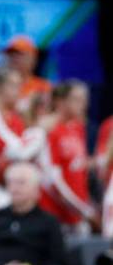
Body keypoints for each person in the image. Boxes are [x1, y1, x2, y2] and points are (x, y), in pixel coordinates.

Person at [0, 67, 45, 214]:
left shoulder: (16, 119)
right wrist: (39, 133)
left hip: (10, 190)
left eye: (19, 85)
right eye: (13, 85)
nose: (18, 90)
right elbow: (19, 152)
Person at [39, 80, 94, 229]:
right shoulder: (48, 130)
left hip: (76, 213)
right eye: (77, 99)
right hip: (55, 214)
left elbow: (79, 173)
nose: (83, 105)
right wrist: (85, 211)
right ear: (60, 101)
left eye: (84, 99)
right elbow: (52, 179)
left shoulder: (78, 128)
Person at [2, 35, 51, 103]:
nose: (13, 59)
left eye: (18, 54)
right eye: (10, 55)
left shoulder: (43, 88)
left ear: (32, 58)